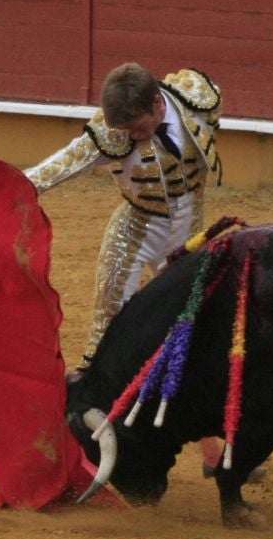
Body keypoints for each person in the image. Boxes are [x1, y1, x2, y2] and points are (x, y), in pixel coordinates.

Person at [24, 63, 224, 364]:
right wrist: (9, 186)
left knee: (185, 314)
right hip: (136, 229)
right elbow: (58, 166)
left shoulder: (196, 99)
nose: (134, 135)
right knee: (110, 313)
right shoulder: (112, 134)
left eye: (139, 127)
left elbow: (215, 99)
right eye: (127, 130)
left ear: (158, 103)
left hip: (189, 229)